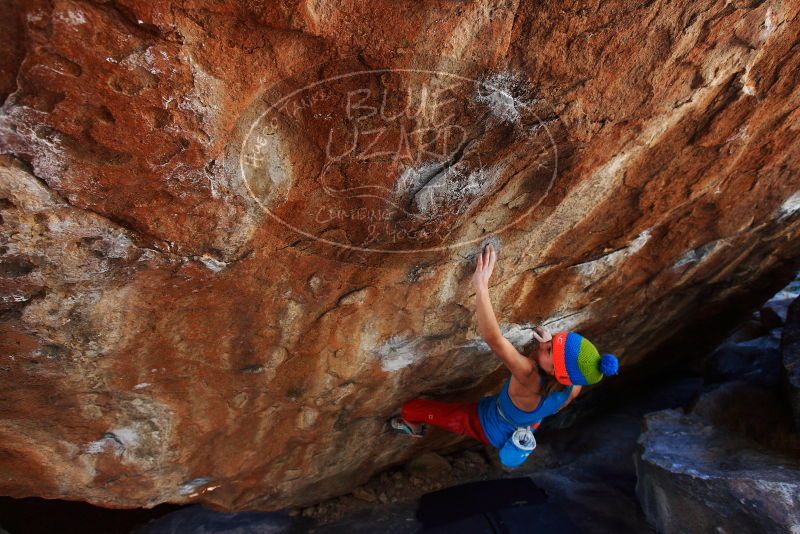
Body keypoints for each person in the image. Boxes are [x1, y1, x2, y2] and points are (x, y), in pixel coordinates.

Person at [388, 244, 619, 466]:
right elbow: (563, 366)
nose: (545, 344)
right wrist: (550, 347)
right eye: (554, 340)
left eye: (549, 350)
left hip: (486, 425)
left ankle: (411, 426)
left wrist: (481, 285)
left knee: (413, 408)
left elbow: (494, 339)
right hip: (525, 420)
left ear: (557, 372)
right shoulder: (574, 386)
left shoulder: (529, 376)